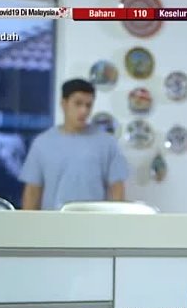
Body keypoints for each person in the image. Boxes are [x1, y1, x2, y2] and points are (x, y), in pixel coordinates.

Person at [18, 79, 129, 210]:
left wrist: (117, 220)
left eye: (88, 105)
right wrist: (26, 222)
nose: (84, 111)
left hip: (93, 220)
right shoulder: (42, 143)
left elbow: (117, 190)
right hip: (54, 219)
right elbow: (32, 191)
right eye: (78, 104)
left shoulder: (107, 143)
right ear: (64, 104)